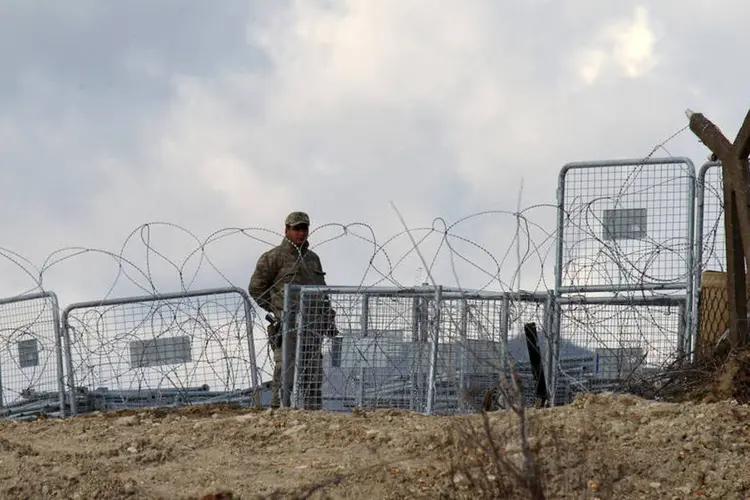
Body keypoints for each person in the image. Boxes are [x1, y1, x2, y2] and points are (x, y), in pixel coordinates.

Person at [248, 211, 338, 410]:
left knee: (313, 374)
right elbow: (256, 288)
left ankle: (312, 414)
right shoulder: (273, 257)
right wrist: (277, 309)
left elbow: (321, 292)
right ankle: (278, 413)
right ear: (287, 230)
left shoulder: (313, 259)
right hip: (287, 328)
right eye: (296, 228)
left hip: (312, 327)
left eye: (304, 228)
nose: (301, 233)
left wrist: (328, 319)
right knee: (285, 372)